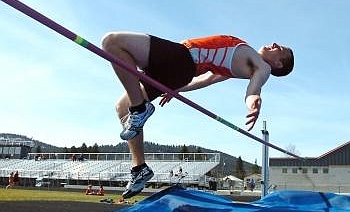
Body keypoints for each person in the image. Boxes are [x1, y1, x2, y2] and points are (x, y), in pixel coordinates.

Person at [101, 32, 294, 198]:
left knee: (112, 41)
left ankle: (139, 109)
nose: (275, 44)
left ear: (277, 64)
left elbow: (254, 88)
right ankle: (139, 168)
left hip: (182, 58)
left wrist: (253, 102)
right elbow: (208, 79)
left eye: (281, 49)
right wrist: (176, 89)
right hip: (180, 70)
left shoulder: (263, 67)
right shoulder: (240, 61)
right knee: (122, 107)